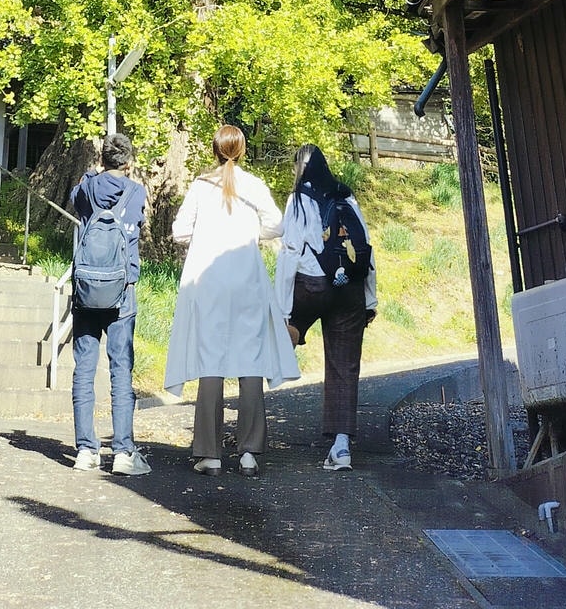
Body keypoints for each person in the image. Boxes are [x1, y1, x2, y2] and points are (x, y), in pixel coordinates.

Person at [164, 125, 299, 475]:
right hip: (247, 279)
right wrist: (252, 231)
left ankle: (209, 453)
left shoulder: (199, 186)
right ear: (241, 151)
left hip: (208, 279)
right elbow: (277, 226)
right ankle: (249, 451)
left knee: (211, 362)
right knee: (249, 360)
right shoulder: (253, 185)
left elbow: (179, 231)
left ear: (214, 149)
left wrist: (206, 233)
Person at [274, 145, 376, 470]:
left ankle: (283, 352)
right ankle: (342, 447)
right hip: (350, 290)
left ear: (299, 170)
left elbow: (290, 252)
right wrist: (370, 300)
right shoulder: (346, 196)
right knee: (344, 366)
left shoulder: (299, 200)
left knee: (288, 324)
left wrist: (283, 307)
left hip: (312, 286)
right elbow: (366, 251)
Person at [69, 132, 150, 475]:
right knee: (120, 371)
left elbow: (75, 198)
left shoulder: (88, 187)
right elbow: (139, 225)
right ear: (129, 161)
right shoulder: (136, 192)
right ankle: (123, 453)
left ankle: (86, 450)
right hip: (122, 291)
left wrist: (91, 173)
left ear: (102, 159)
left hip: (87, 290)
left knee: (84, 369)